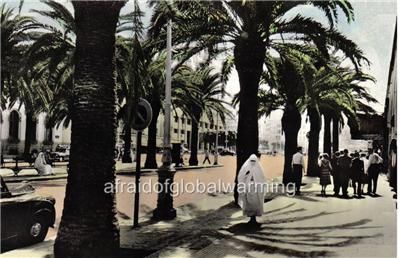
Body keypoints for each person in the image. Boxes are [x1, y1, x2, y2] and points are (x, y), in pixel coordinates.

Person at [237, 154, 267, 227]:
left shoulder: (258, 168)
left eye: (254, 161)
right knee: (249, 203)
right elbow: (240, 177)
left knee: (255, 203)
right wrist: (246, 176)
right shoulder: (245, 167)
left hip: (256, 189)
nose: (253, 162)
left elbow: (262, 178)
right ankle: (251, 219)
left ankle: (254, 219)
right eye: (251, 161)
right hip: (248, 188)